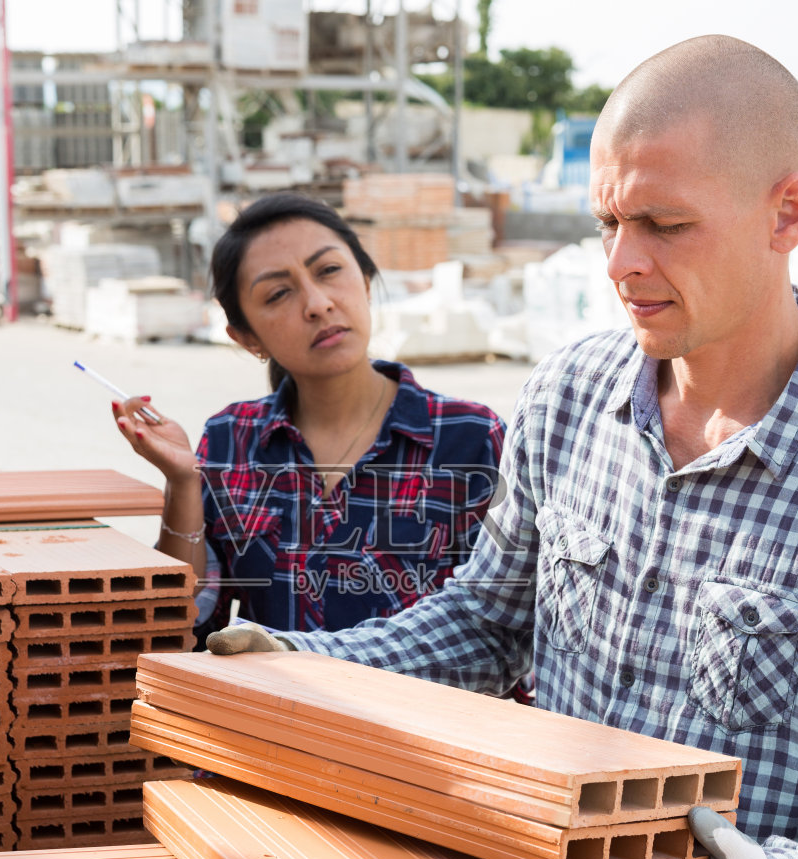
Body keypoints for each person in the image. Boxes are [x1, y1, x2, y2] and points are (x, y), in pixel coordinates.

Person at [208, 36, 798, 859]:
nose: (623, 262)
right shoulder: (573, 395)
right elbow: (485, 618)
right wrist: (306, 665)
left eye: (664, 224)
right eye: (609, 222)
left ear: (788, 213)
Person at [111, 192, 506, 649]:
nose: (317, 303)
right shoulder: (231, 441)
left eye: (329, 271)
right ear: (246, 338)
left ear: (366, 278)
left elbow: (497, 628)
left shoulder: (469, 438)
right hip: (273, 713)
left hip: (423, 716)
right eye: (279, 293)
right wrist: (183, 483)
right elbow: (190, 622)